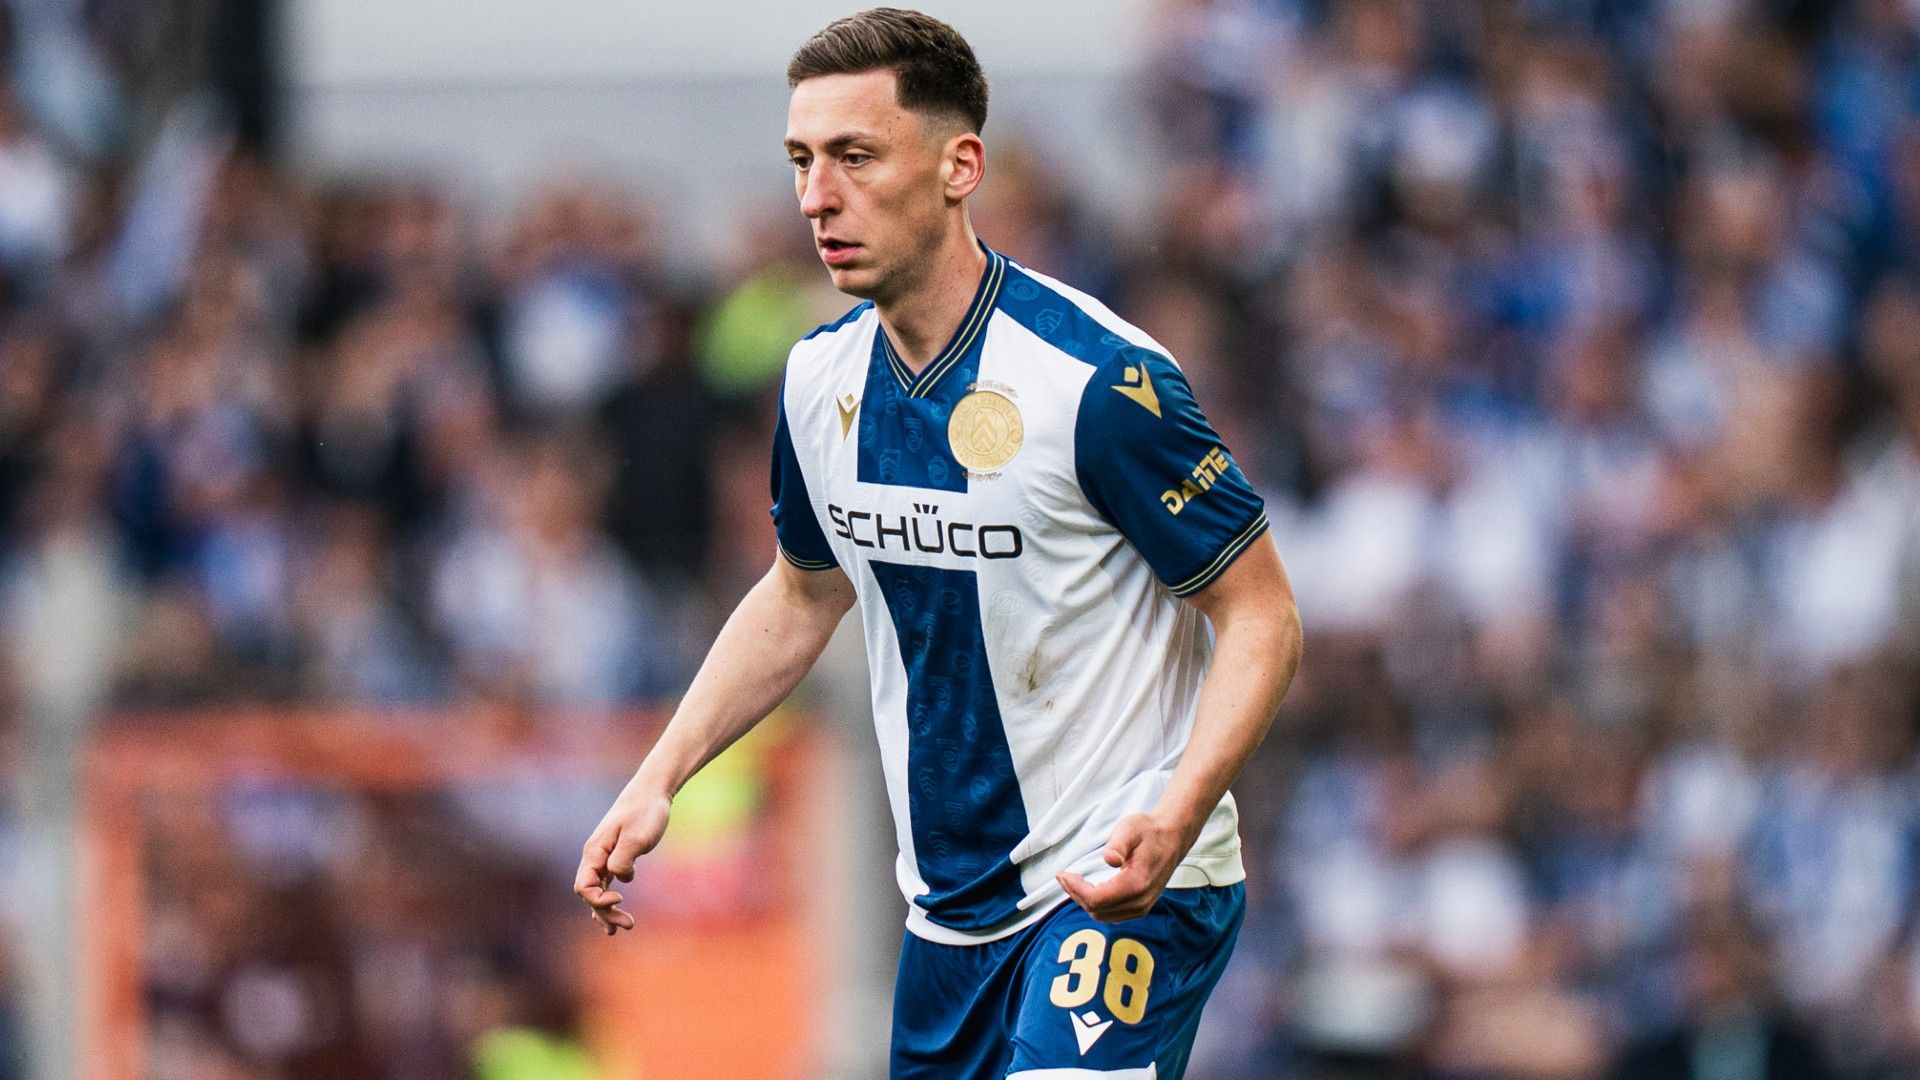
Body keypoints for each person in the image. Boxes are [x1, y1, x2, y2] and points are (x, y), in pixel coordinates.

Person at [575, 9, 1303, 1077]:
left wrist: (1180, 804)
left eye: (856, 156)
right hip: (949, 927)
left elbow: (1262, 611)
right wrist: (660, 776)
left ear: (960, 165)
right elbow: (800, 592)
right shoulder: (820, 380)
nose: (819, 195)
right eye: (802, 161)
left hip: (1119, 884)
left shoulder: (1095, 383)